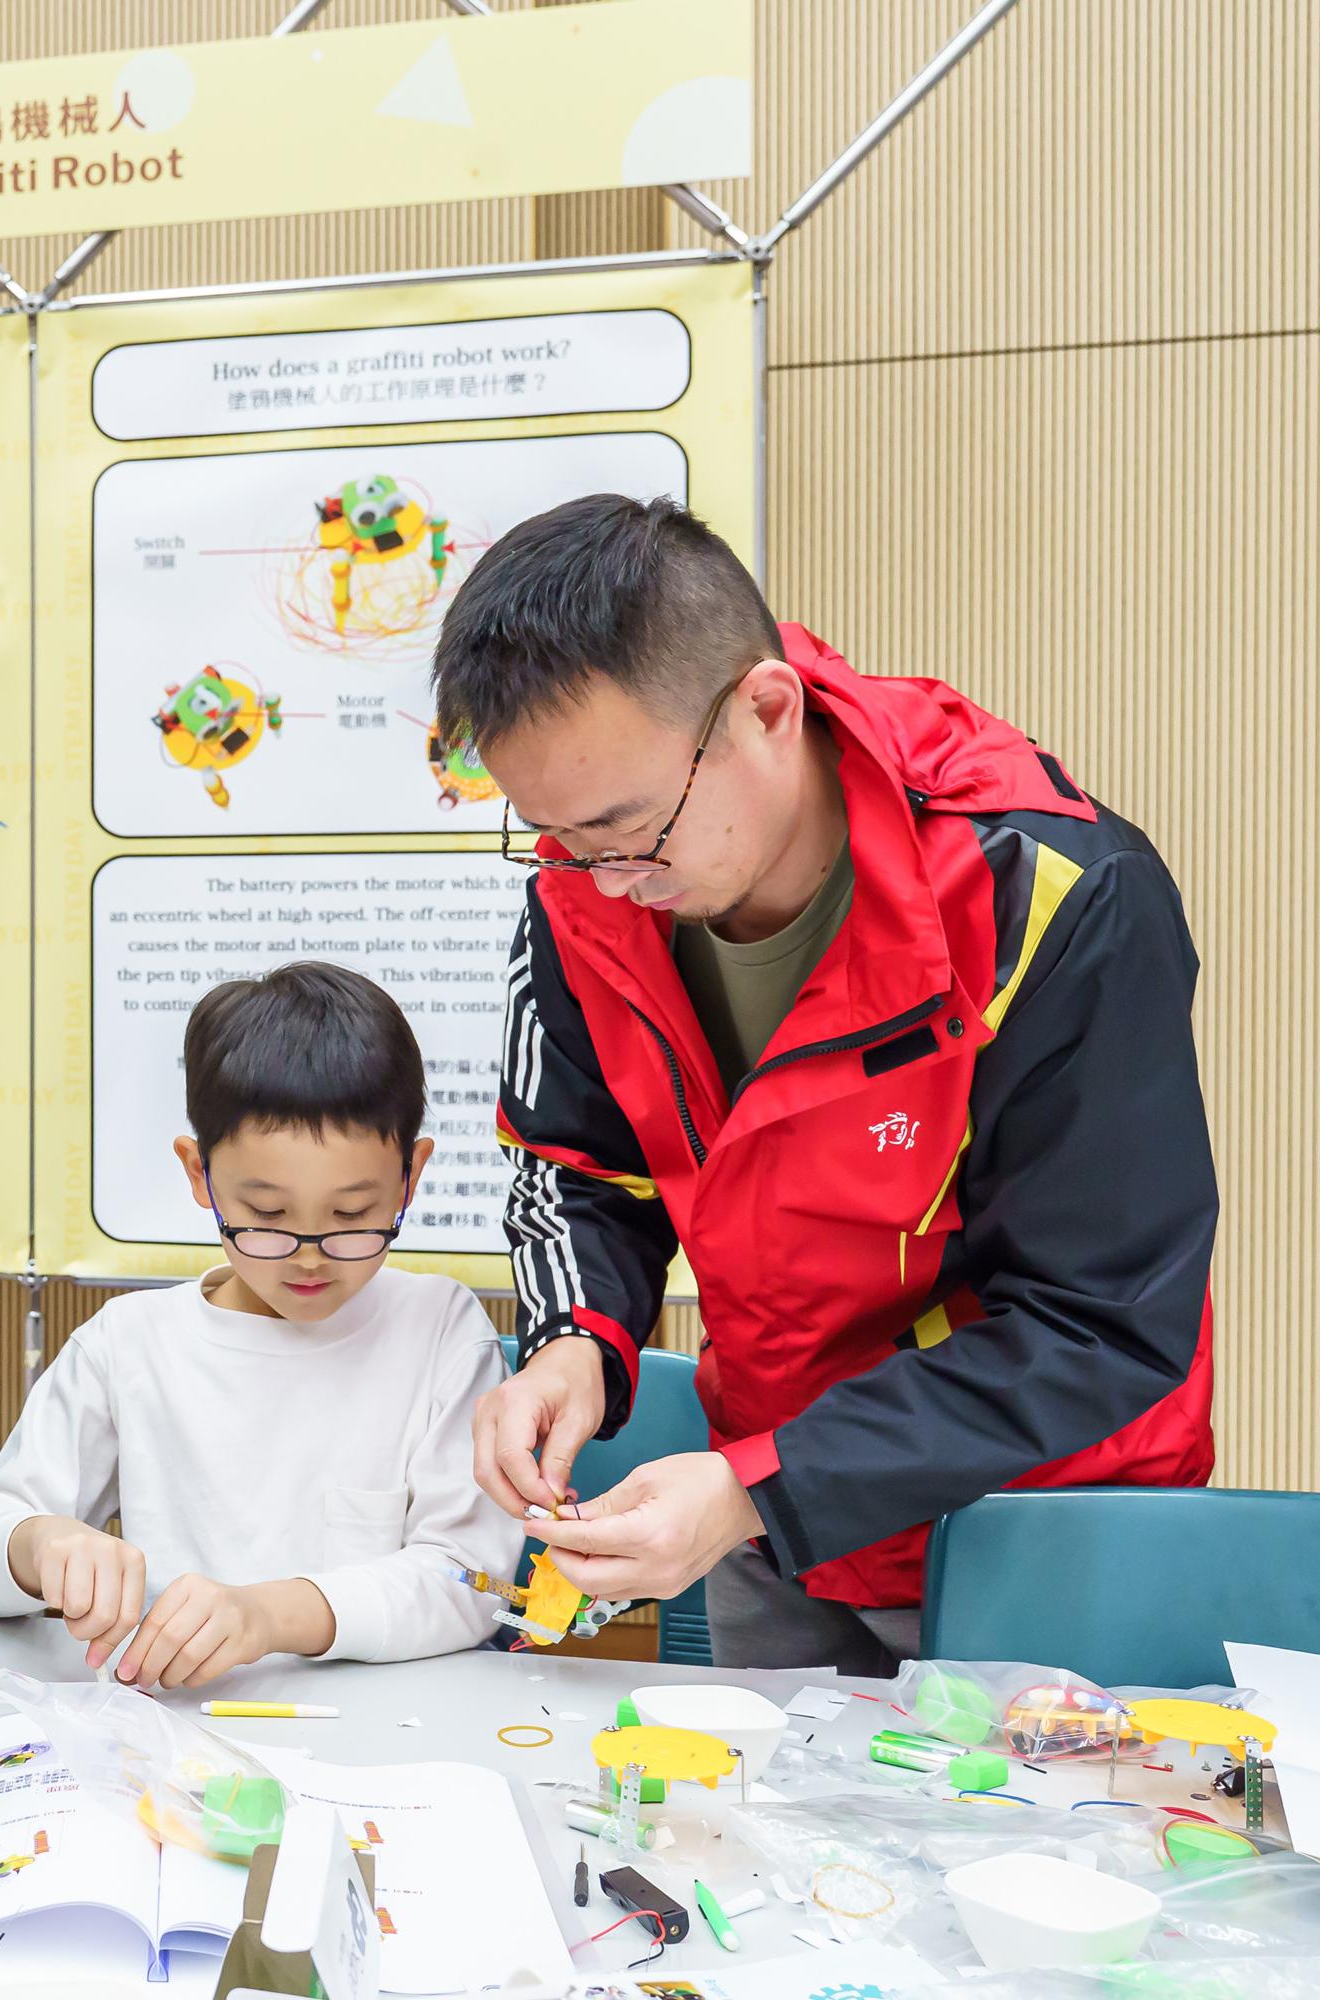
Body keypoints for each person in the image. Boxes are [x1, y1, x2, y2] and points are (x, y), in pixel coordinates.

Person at [440, 495, 1215, 1675]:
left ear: (764, 708)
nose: (601, 877)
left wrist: (763, 1484)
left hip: (1030, 1534)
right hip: (770, 1522)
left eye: (626, 827)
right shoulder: (588, 895)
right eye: (552, 836)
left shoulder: (1046, 898)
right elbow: (578, 1163)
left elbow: (1097, 1323)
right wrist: (573, 1338)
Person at [0, 962, 521, 1685]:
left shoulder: (440, 1330)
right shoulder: (130, 1345)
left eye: (351, 1216)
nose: (310, 1258)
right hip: (176, 1741)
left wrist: (268, 1616)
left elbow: (469, 1584)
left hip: (388, 1739)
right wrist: (37, 1544)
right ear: (198, 1174)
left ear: (410, 1176)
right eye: (269, 1216)